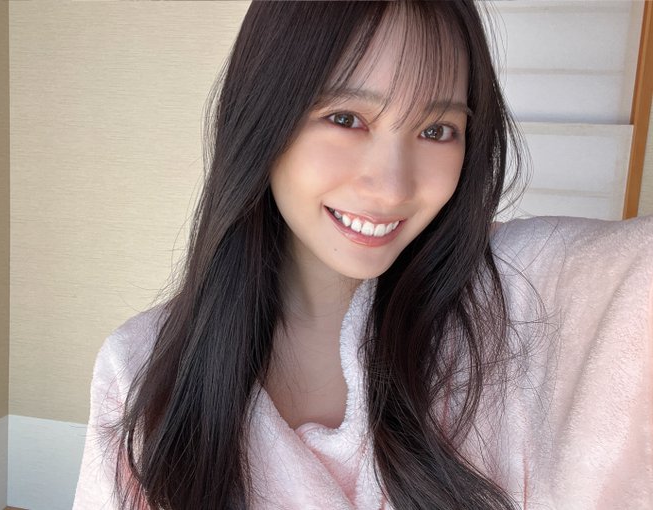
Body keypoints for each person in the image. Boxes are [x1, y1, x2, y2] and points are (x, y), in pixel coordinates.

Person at [73, 1, 653, 509]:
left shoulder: (524, 290)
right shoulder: (140, 367)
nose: (393, 187)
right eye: (346, 119)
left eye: (437, 130)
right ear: (262, 119)